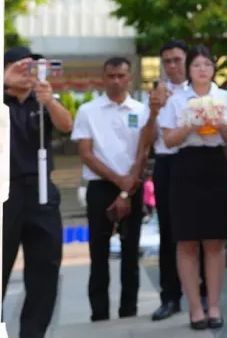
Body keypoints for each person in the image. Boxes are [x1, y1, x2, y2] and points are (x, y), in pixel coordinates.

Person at [158, 45, 227, 330]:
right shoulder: (176, 100)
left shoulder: (226, 97)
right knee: (186, 240)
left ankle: (214, 306)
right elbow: (168, 140)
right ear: (189, 69)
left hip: (215, 165)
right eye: (197, 65)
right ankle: (194, 308)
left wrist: (219, 124)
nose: (202, 69)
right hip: (185, 166)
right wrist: (190, 125)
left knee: (214, 239)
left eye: (207, 64)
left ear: (213, 69)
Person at [71, 57, 157, 322]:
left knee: (130, 253)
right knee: (98, 254)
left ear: (129, 78)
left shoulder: (141, 110)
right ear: (103, 78)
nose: (116, 81)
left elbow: (144, 150)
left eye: (121, 76)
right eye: (111, 76)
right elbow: (86, 154)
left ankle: (129, 312)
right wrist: (119, 181)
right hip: (100, 187)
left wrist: (128, 186)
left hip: (133, 187)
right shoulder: (88, 111)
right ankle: (99, 315)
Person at [1, 46, 74, 338]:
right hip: (5, 192)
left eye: (32, 68)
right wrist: (4, 82)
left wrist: (49, 100)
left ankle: (32, 333)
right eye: (21, 68)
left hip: (41, 190)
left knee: (45, 269)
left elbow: (66, 125)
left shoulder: (41, 99)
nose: (27, 74)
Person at [149, 40, 208, 321]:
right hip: (166, 162)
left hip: (195, 160)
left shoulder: (200, 90)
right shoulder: (156, 94)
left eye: (177, 59)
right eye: (167, 61)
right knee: (169, 232)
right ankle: (170, 296)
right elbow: (148, 138)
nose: (172, 66)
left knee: (203, 229)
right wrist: (153, 109)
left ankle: (206, 294)